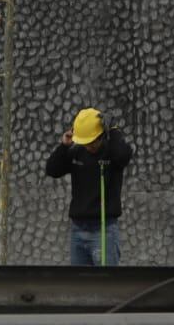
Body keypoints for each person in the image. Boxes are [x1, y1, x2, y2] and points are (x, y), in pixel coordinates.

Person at [45, 107, 132, 266]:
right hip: (78, 230)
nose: (89, 147)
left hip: (104, 230)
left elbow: (123, 156)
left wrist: (114, 131)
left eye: (92, 142)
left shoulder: (112, 152)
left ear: (102, 136)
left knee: (106, 284)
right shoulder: (77, 152)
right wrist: (64, 146)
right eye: (85, 143)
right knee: (79, 286)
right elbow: (52, 170)